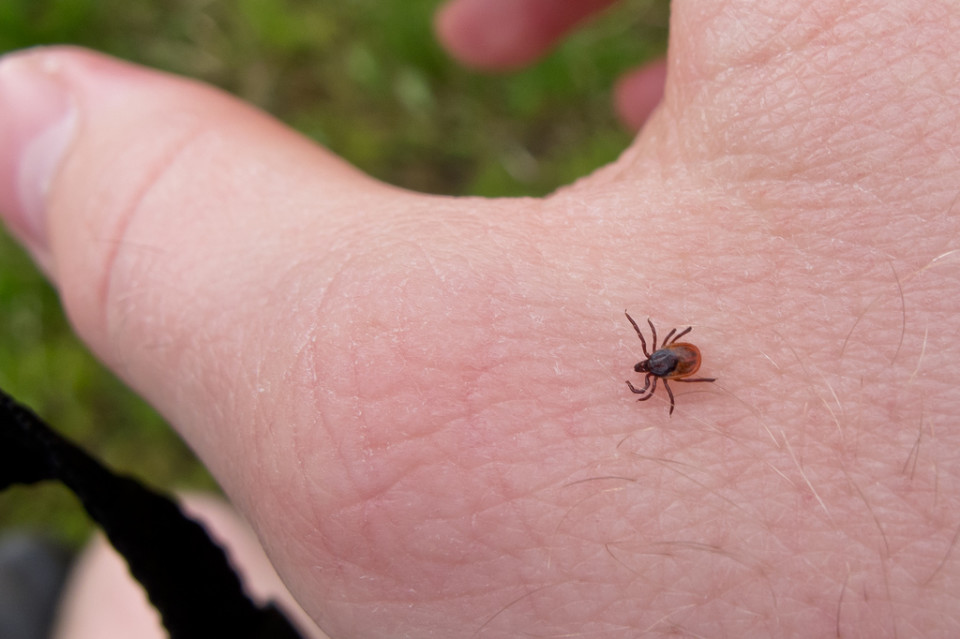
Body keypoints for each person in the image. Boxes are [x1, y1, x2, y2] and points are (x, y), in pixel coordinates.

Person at [2, 0, 960, 636]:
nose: (659, 369)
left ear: (668, 365)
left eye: (660, 368)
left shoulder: (677, 364)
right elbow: (671, 349)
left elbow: (679, 357)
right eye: (661, 367)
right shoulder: (670, 358)